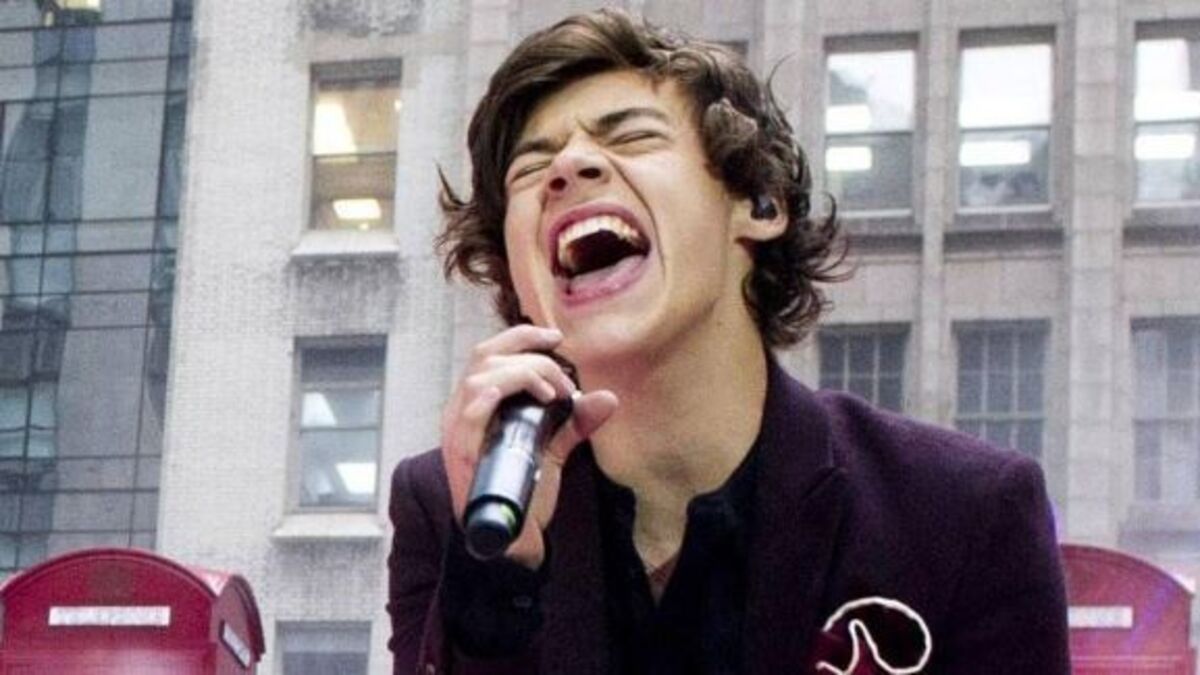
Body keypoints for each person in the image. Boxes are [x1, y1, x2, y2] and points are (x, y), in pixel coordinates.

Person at [388, 9, 1070, 674]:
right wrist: (498, 584)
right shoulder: (444, 503)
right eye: (530, 169)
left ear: (761, 204)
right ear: (513, 268)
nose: (568, 166)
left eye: (632, 137)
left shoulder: (964, 511)